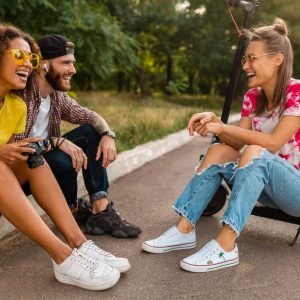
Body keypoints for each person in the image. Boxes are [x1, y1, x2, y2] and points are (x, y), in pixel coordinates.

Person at [142, 18, 300, 272]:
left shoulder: (297, 92)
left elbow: (273, 142)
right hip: (264, 185)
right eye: (245, 59)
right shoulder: (252, 97)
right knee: (219, 150)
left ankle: (226, 246)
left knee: (255, 150)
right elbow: (238, 141)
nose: (245, 65)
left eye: (252, 58)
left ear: (277, 59)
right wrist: (215, 122)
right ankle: (184, 229)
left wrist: (223, 127)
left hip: (295, 190)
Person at [0, 23, 131, 290]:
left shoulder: (16, 105)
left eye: (31, 58)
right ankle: (62, 255)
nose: (28, 63)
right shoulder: (28, 95)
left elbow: (17, 154)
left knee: (31, 156)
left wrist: (109, 134)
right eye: (18, 56)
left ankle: (80, 242)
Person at [15, 34, 141, 238]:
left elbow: (89, 116)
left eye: (72, 63)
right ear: (43, 64)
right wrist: (57, 141)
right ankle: (72, 209)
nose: (72, 70)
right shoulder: (21, 93)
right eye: (65, 62)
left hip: (44, 159)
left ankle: (100, 209)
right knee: (62, 159)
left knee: (92, 132)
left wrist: (108, 135)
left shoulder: (57, 96)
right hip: (20, 171)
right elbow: (15, 146)